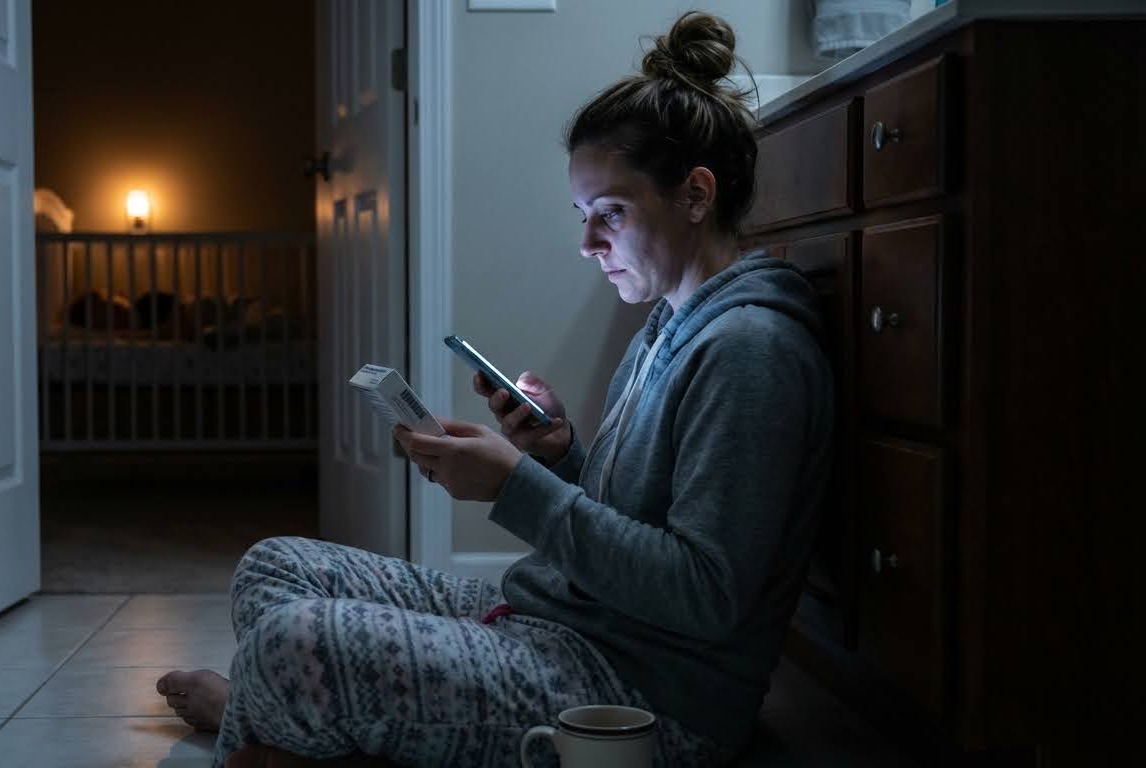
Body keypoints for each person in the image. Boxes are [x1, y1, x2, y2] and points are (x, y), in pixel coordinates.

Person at [155, 11, 833, 768]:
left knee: (292, 641)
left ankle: (260, 718)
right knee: (275, 566)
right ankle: (274, 716)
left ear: (696, 195)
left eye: (610, 212)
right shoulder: (666, 327)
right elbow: (633, 520)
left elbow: (705, 594)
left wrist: (517, 488)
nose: (587, 242)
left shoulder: (751, 351)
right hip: (553, 622)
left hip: (633, 694)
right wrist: (558, 453)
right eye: (583, 215)